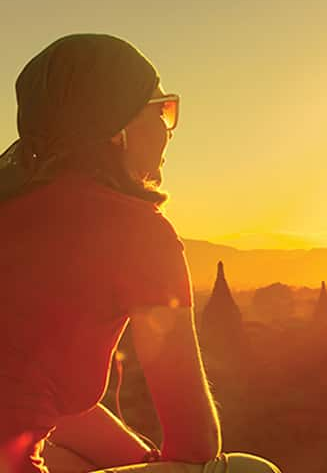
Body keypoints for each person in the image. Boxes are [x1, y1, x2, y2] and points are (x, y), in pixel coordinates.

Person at [0, 34, 280, 473]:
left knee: (78, 453)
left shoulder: (12, 206)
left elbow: (37, 398)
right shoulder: (138, 233)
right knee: (247, 471)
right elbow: (196, 446)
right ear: (117, 129)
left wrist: (140, 459)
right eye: (162, 110)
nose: (170, 128)